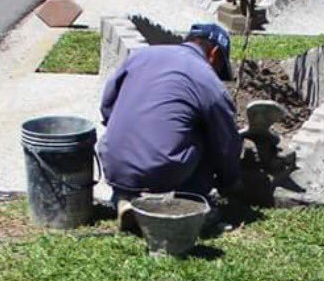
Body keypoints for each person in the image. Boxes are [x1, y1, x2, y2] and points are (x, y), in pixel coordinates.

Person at [97, 23, 242, 212]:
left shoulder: (140, 56)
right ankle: (191, 204)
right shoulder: (207, 79)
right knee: (209, 134)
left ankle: (124, 198)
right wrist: (230, 182)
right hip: (162, 171)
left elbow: (107, 106)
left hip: (114, 163)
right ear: (213, 54)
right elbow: (226, 143)